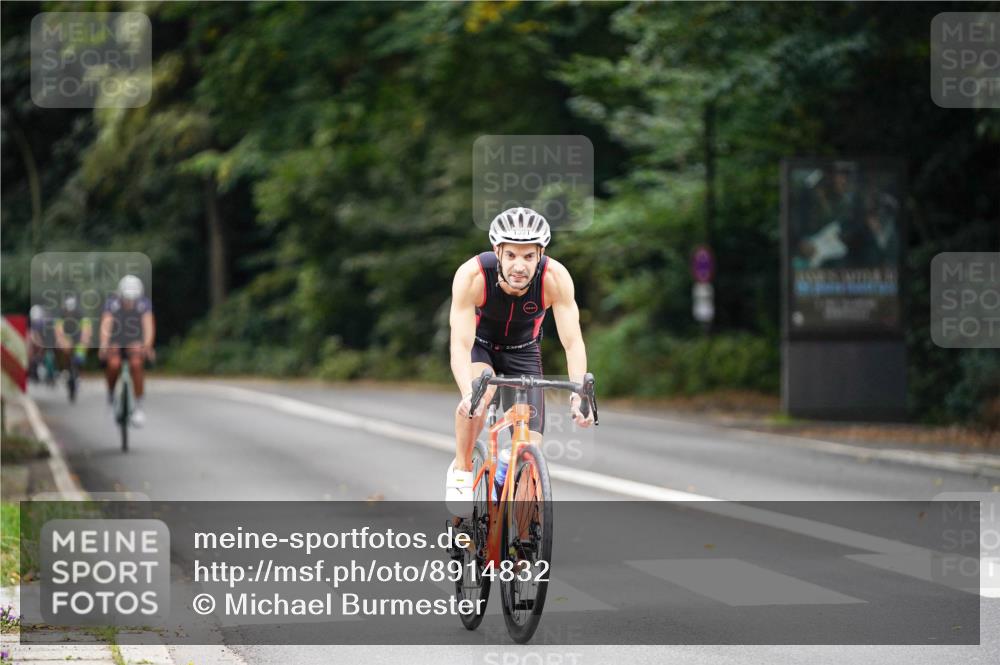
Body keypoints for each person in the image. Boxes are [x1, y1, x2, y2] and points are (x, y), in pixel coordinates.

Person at [445, 207, 594, 517]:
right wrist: (467, 393)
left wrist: (579, 394)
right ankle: (461, 468)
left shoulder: (555, 278)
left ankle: (520, 526)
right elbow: (460, 343)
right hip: (481, 348)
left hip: (523, 352)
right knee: (481, 395)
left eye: (528, 257)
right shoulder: (473, 276)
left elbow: (572, 342)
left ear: (541, 254)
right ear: (497, 250)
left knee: (531, 450)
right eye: (511, 255)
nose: (519, 265)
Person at [99, 275, 155, 426]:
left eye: (132, 299)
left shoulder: (143, 304)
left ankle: (139, 406)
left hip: (134, 339)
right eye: (126, 299)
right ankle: (111, 398)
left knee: (136, 364)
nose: (129, 302)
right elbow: (106, 325)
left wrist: (148, 346)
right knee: (114, 365)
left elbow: (148, 326)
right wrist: (104, 345)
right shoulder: (112, 304)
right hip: (116, 339)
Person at [55, 294, 93, 375]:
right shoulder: (61, 314)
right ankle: (64, 368)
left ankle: (78, 369)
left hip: (78, 336)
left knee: (81, 355)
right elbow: (58, 329)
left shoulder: (80, 313)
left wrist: (85, 339)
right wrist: (61, 340)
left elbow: (86, 328)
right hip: (67, 335)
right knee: (62, 347)